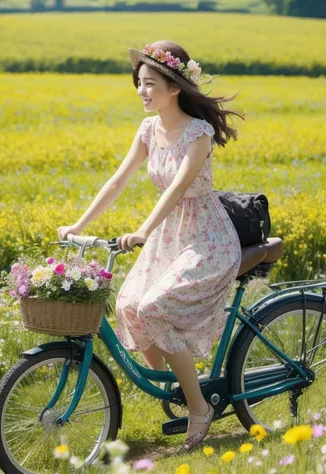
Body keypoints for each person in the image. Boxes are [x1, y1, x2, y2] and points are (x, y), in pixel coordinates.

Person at [57, 40, 244, 451]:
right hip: (169, 236)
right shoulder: (147, 129)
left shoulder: (198, 133)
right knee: (127, 305)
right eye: (139, 83)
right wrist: (78, 224)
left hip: (206, 237)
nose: (142, 91)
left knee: (153, 308)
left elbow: (177, 189)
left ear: (175, 86)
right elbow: (117, 181)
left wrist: (141, 230)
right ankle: (173, 388)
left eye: (151, 83)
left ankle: (198, 407)